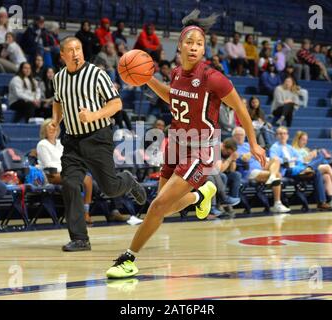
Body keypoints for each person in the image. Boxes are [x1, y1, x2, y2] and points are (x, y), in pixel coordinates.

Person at [105, 9, 266, 279]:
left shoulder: (212, 77)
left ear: (204, 49)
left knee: (157, 206)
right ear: (179, 45)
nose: (194, 47)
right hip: (175, 143)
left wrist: (253, 143)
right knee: (165, 207)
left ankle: (128, 259)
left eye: (199, 44)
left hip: (201, 148)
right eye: (189, 43)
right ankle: (202, 195)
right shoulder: (178, 73)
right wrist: (148, 79)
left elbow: (240, 108)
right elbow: (174, 97)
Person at [51, 36, 147, 251]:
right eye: (71, 50)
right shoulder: (58, 78)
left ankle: (128, 180)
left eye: (79, 48)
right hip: (72, 141)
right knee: (69, 184)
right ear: (62, 55)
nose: (75, 53)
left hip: (97, 137)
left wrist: (93, 115)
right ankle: (80, 238)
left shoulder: (96, 74)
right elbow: (57, 101)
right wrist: (55, 122)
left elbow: (116, 104)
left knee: (110, 188)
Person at [37, 119, 94, 225]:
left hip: (65, 172)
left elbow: (68, 159)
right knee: (83, 179)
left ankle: (84, 212)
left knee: (88, 178)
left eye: (54, 127)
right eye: (49, 128)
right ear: (44, 130)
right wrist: (68, 170)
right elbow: (48, 165)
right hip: (50, 175)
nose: (52, 130)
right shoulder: (42, 144)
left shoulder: (60, 143)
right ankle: (80, 214)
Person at [270, 126, 330, 211]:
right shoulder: (274, 147)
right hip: (287, 170)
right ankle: (309, 169)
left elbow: (300, 159)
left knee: (319, 158)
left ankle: (321, 203)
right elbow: (274, 159)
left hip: (299, 168)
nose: (283, 135)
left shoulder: (289, 147)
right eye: (280, 134)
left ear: (287, 136)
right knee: (316, 171)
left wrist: (298, 160)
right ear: (276, 136)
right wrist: (289, 160)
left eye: (284, 133)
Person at [232, 126, 290, 213]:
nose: (240, 136)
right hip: (250, 171)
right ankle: (277, 203)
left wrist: (255, 154)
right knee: (278, 175)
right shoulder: (233, 147)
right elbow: (245, 158)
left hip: (261, 167)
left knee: (275, 159)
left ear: (245, 136)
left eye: (242, 135)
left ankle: (272, 177)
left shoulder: (248, 145)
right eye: (237, 135)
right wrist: (252, 152)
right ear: (233, 137)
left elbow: (259, 156)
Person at [292, 131, 332, 209]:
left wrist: (312, 156)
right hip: (302, 169)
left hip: (312, 169)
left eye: (306, 140)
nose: (305, 142)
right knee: (326, 165)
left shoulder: (306, 149)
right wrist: (307, 158)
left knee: (326, 174)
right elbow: (295, 163)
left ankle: (331, 200)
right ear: (298, 139)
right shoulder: (293, 150)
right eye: (303, 140)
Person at [207, 138, 241, 218]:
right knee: (223, 176)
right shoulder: (216, 149)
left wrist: (233, 159)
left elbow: (232, 170)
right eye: (228, 152)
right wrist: (230, 159)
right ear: (223, 146)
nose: (228, 154)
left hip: (219, 174)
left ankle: (229, 202)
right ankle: (222, 202)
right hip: (216, 174)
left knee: (236, 175)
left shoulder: (228, 153)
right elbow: (220, 170)